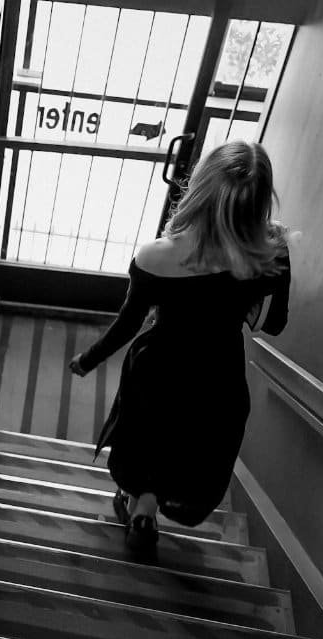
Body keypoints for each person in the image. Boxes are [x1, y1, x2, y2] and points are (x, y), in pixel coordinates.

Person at [69, 140, 292, 558]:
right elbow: (274, 324)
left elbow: (128, 325)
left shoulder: (156, 256)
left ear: (200, 187)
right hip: (218, 374)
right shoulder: (271, 251)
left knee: (149, 437)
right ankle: (150, 509)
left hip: (158, 369)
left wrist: (88, 359)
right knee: (188, 445)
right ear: (260, 200)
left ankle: (140, 508)